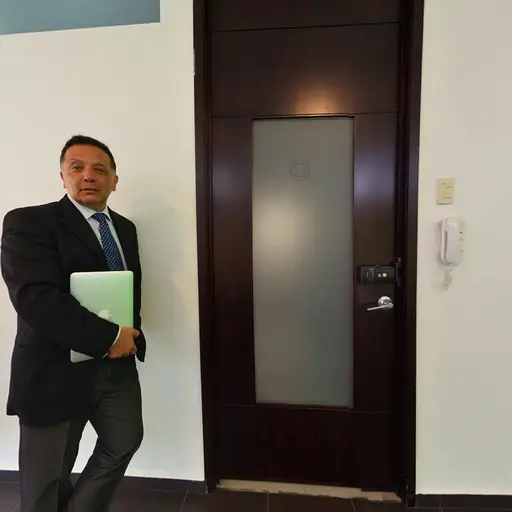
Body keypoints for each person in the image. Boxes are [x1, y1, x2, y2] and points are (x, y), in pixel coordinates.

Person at [1, 135, 146, 512]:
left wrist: (128, 336)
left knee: (124, 441)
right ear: (62, 177)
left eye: (100, 169)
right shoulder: (28, 222)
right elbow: (36, 300)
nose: (88, 176)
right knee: (46, 483)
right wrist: (110, 336)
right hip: (54, 370)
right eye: (77, 167)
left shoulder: (125, 228)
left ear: (114, 180)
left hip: (116, 368)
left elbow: (127, 287)